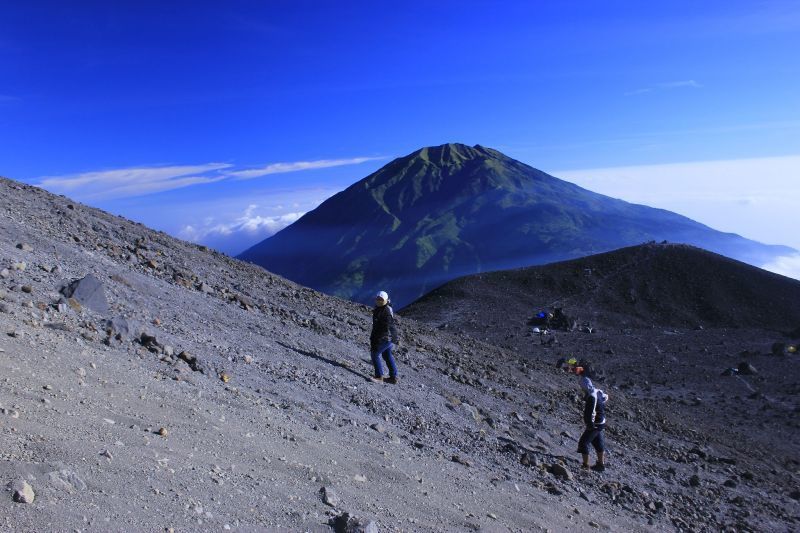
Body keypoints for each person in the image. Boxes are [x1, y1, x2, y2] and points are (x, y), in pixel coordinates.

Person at [577, 376, 608, 472]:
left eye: (582, 387)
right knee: (598, 443)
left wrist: (590, 424)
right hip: (601, 422)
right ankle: (600, 465)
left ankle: (585, 466)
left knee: (583, 443)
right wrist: (601, 406)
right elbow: (605, 397)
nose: (581, 389)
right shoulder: (598, 391)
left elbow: (590, 413)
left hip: (595, 424)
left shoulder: (591, 397)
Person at [370, 290, 400, 384]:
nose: (379, 301)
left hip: (385, 337)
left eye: (381, 299)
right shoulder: (383, 308)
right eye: (377, 299)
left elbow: (385, 327)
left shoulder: (385, 311)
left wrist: (378, 339)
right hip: (390, 337)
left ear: (386, 300)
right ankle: (393, 377)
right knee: (386, 354)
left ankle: (379, 377)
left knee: (375, 354)